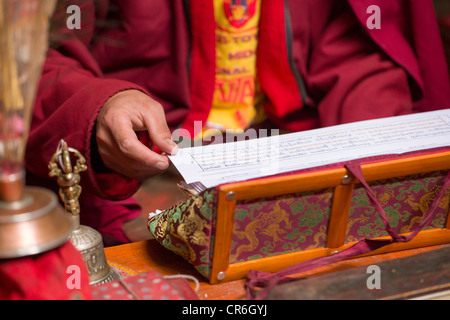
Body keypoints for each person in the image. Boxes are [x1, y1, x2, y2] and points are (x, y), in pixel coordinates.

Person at [26, 0, 450, 245]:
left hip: (287, 158)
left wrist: (366, 150)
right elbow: (28, 60)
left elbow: (354, 54)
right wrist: (102, 106)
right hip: (140, 173)